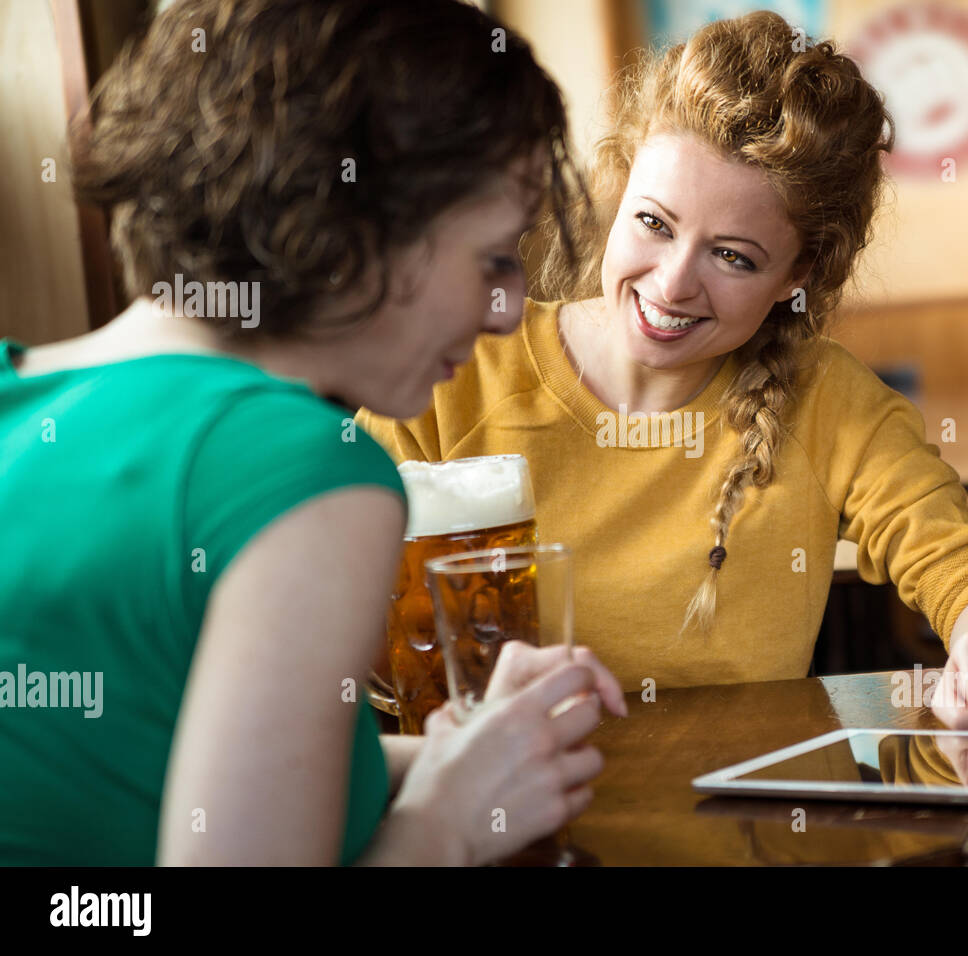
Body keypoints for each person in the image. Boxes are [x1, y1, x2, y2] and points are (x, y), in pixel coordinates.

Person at [0, 0, 625, 867]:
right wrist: (449, 822)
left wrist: (456, 758)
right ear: (350, 231)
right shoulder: (304, 471)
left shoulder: (20, 394)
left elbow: (141, 763)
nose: (511, 308)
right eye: (491, 257)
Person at [358, 11, 968, 732]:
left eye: (733, 256)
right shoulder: (455, 368)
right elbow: (323, 611)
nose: (671, 285)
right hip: (495, 821)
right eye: (654, 224)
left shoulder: (828, 401)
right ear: (620, 189)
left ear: (799, 274)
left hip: (742, 833)